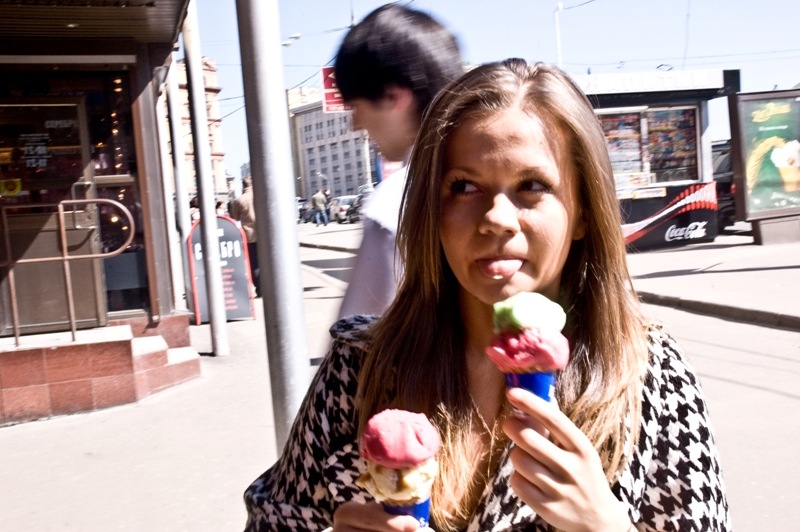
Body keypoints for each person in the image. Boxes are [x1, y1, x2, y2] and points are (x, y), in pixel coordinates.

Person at [243, 59, 731, 531]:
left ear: (583, 212)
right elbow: (272, 520)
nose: (496, 218)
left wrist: (606, 528)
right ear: (432, 209)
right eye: (464, 186)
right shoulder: (359, 367)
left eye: (532, 185)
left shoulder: (650, 375)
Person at [334, 3, 464, 319]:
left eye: (356, 107)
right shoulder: (495, 183)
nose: (355, 124)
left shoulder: (396, 203)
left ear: (394, 97)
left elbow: (357, 336)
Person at [230, 176, 259, 297]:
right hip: (264, 234)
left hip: (249, 235)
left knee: (254, 262)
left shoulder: (238, 200)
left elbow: (234, 218)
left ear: (243, 185)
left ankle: (259, 287)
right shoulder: (260, 195)